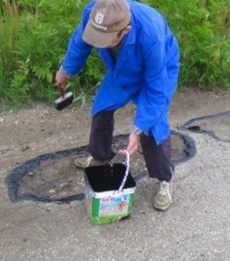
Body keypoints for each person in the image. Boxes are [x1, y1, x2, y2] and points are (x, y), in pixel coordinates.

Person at [55, 0, 180, 211]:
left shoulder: (151, 36)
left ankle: (165, 179)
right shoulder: (96, 12)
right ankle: (101, 157)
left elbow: (156, 91)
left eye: (105, 40)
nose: (99, 43)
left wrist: (137, 130)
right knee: (101, 109)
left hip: (159, 70)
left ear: (125, 31)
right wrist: (66, 70)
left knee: (153, 126)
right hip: (122, 67)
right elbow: (80, 41)